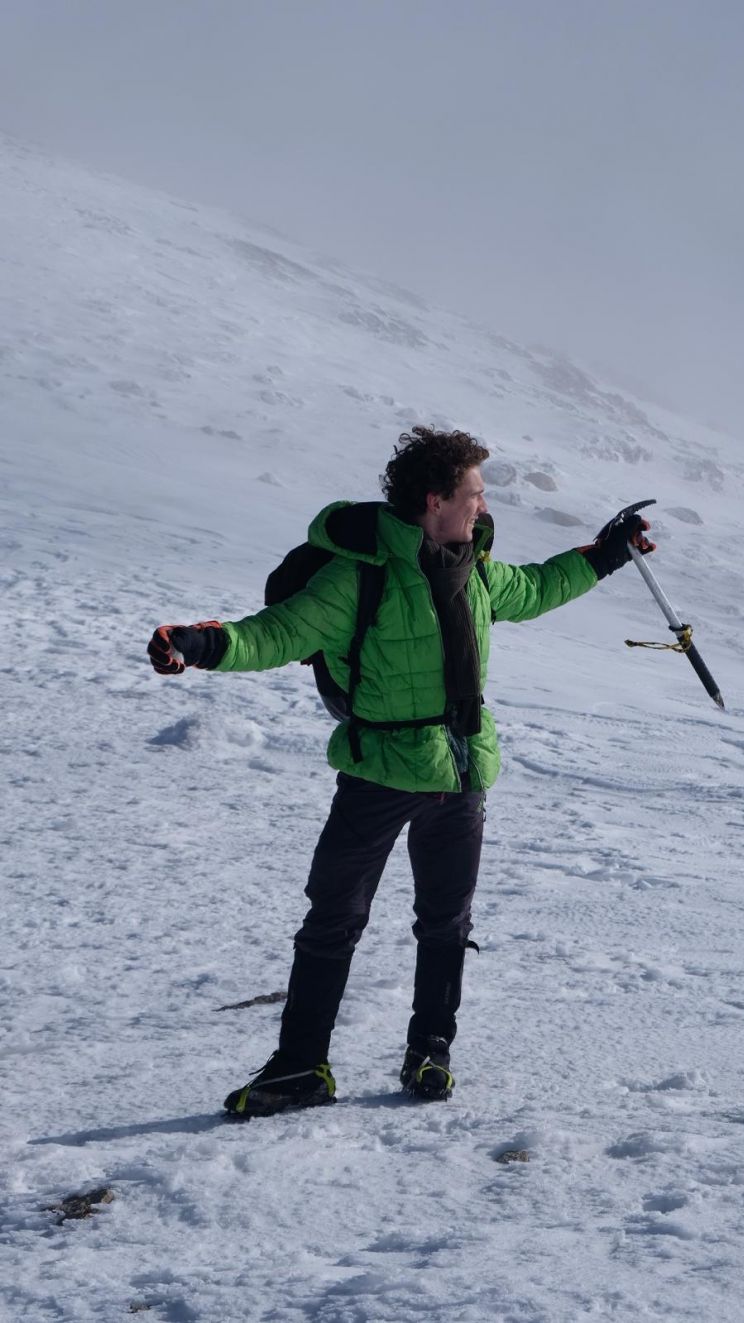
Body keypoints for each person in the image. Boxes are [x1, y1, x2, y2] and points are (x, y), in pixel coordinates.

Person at [148, 427, 654, 1117]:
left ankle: (430, 1053)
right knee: (334, 918)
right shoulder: (360, 573)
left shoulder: (472, 566)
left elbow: (535, 588)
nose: (483, 506)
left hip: (462, 770)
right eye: (473, 493)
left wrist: (608, 554)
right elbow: (274, 632)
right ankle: (301, 1066)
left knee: (446, 922)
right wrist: (201, 644)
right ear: (434, 498)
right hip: (379, 773)